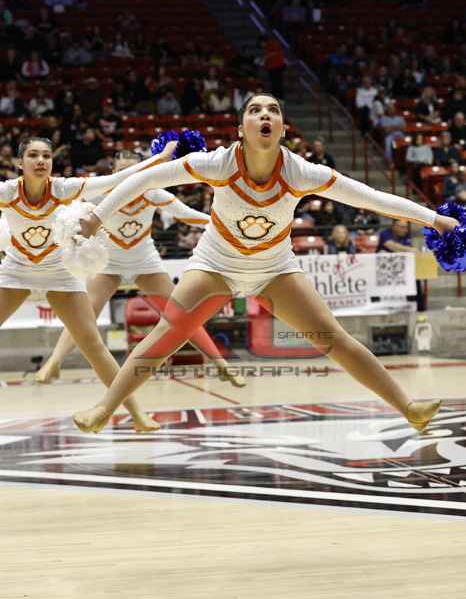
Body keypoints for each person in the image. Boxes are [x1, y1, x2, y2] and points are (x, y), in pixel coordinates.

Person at [72, 93, 457, 435]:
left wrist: (435, 220)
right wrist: (97, 217)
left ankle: (409, 408)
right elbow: (144, 179)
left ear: (283, 129)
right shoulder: (218, 163)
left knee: (333, 339)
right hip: (215, 266)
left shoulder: (301, 172)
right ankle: (105, 408)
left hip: (276, 270)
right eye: (255, 110)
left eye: (273, 110)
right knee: (167, 333)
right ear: (241, 129)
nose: (265, 114)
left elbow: (370, 197)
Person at [0, 136, 176, 432]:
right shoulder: (6, 192)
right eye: (33, 155)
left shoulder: (63, 188)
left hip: (60, 272)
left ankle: (137, 415)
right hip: (17, 270)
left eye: (46, 156)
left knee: (93, 345)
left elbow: (116, 180)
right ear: (20, 163)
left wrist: (159, 159)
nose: (41, 161)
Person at [36, 151, 244, 387]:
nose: (129, 175)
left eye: (134, 170)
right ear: (114, 172)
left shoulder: (152, 193)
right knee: (85, 313)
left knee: (180, 313)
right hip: (108, 263)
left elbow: (187, 215)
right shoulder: (100, 196)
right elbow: (69, 217)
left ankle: (221, 364)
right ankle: (54, 362)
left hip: (145, 262)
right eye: (123, 170)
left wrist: (219, 224)